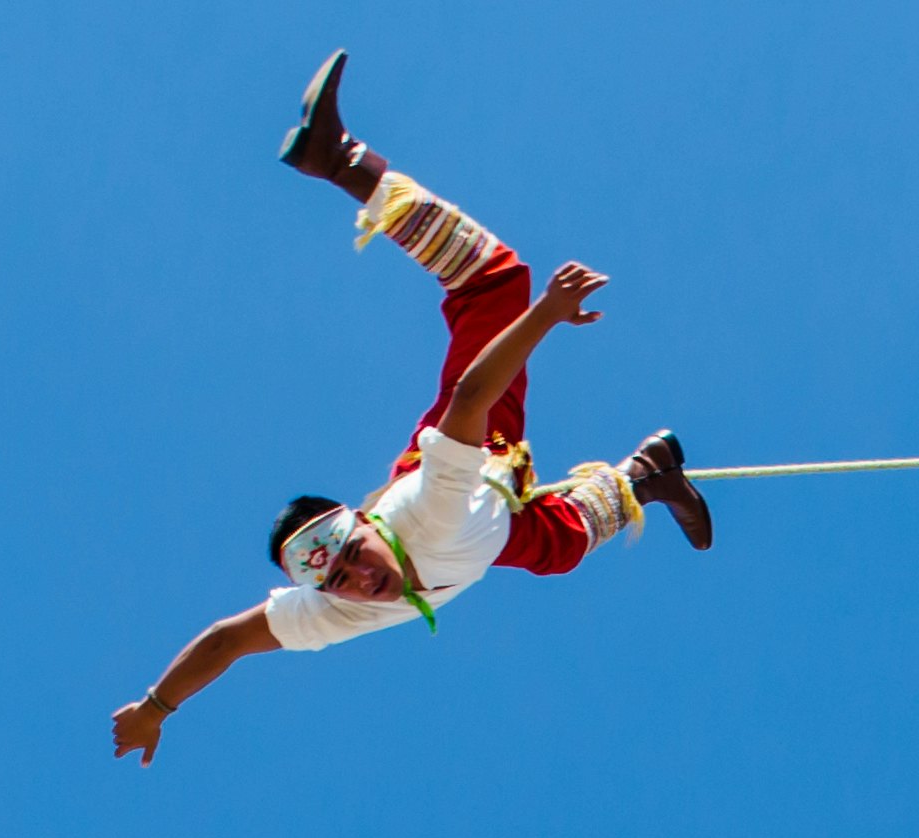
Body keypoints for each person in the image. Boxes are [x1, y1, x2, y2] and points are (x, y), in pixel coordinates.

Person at [109, 53, 713, 766]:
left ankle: (339, 160)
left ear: (367, 524)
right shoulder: (333, 609)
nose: (360, 582)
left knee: (497, 284)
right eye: (337, 580)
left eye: (354, 558)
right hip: (495, 533)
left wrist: (546, 315)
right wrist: (156, 709)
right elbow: (229, 640)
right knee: (558, 548)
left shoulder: (428, 508)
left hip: (476, 453)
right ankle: (649, 474)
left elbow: (470, 399)